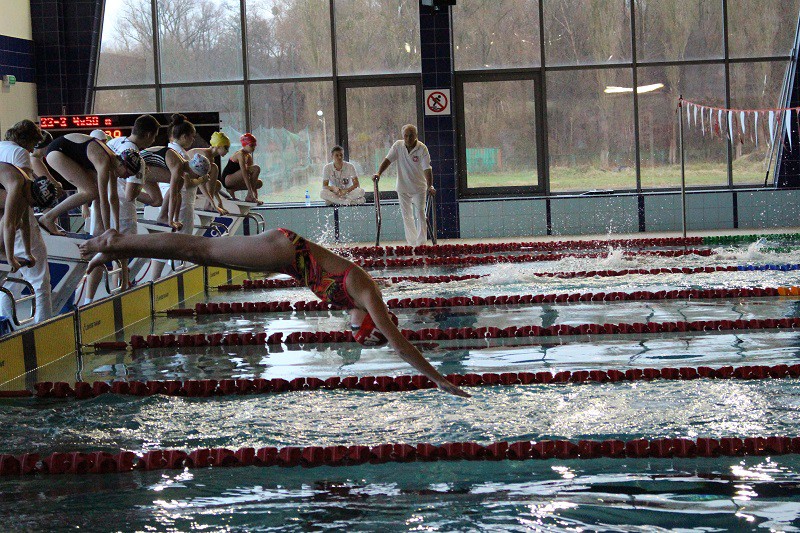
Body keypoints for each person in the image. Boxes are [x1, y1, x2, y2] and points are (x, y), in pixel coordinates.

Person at [79, 228, 469, 398]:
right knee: (201, 250)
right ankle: (118, 243)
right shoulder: (368, 295)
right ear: (369, 322)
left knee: (200, 252)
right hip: (283, 250)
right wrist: (439, 380)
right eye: (361, 334)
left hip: (283, 256)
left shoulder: (357, 301)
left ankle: (120, 246)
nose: (353, 334)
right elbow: (402, 347)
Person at [0, 120, 59, 323]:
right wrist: (10, 257)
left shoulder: (24, 188)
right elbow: (9, 223)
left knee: (9, 278)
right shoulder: (17, 182)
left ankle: (5, 323)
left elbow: (24, 222)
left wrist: (25, 253)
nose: (31, 206)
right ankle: (43, 324)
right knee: (39, 280)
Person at [38, 133, 141, 236]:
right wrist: (108, 231)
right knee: (91, 192)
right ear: (122, 165)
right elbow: (104, 201)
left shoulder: (114, 164)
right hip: (57, 152)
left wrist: (117, 229)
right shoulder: (104, 162)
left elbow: (114, 198)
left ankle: (98, 229)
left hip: (69, 152)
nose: (126, 177)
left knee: (95, 192)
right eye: (127, 174)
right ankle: (48, 218)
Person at [373, 124, 435, 247]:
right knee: (407, 216)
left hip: (418, 188)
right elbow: (387, 160)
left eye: (411, 135)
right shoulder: (398, 146)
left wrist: (430, 186)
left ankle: (421, 243)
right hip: (402, 187)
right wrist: (378, 173)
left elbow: (427, 168)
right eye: (406, 136)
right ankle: (412, 243)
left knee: (421, 214)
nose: (408, 138)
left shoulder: (422, 149)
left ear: (416, 135)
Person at [189, 131, 230, 216]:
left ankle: (209, 204)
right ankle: (208, 205)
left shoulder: (210, 158)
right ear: (218, 146)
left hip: (193, 180)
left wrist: (219, 202)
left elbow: (210, 184)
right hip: (186, 182)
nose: (227, 151)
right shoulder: (204, 156)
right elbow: (201, 183)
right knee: (214, 168)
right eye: (226, 147)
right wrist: (213, 204)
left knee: (218, 184)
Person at [220, 133, 262, 204]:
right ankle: (249, 197)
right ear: (244, 145)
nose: (253, 148)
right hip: (227, 179)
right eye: (251, 145)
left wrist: (256, 195)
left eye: (255, 145)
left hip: (235, 179)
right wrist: (252, 195)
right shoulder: (240, 154)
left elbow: (251, 177)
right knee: (256, 168)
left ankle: (233, 189)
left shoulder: (248, 156)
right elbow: (244, 174)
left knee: (259, 183)